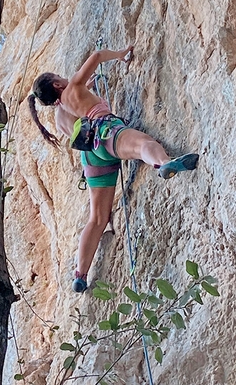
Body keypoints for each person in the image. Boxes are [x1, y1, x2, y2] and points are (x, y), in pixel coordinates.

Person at [28, 44, 199, 293]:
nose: (64, 78)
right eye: (59, 77)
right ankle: (164, 163)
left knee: (97, 218)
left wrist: (90, 91)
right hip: (107, 132)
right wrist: (120, 55)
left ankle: (80, 274)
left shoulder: (59, 117)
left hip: (91, 158)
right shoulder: (74, 87)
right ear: (56, 85)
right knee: (144, 145)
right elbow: (96, 57)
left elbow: (80, 113)